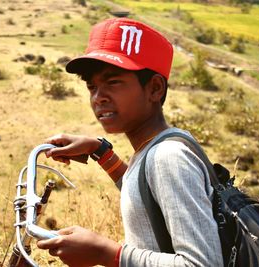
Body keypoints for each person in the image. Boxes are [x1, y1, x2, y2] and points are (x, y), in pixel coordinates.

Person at [37, 17, 223, 267]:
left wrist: (109, 254)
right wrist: (100, 151)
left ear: (155, 88)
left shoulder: (168, 158)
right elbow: (145, 196)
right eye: (92, 86)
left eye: (113, 82)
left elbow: (203, 264)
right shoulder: (158, 144)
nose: (98, 98)